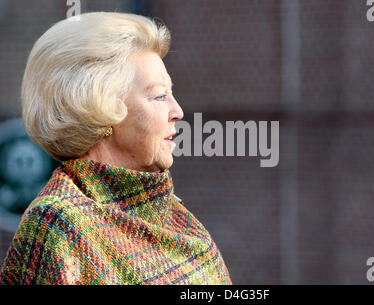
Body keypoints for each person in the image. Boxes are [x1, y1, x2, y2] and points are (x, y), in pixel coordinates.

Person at [0, 12, 232, 285]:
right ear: (102, 110)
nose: (177, 111)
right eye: (160, 95)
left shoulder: (175, 217)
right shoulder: (58, 224)